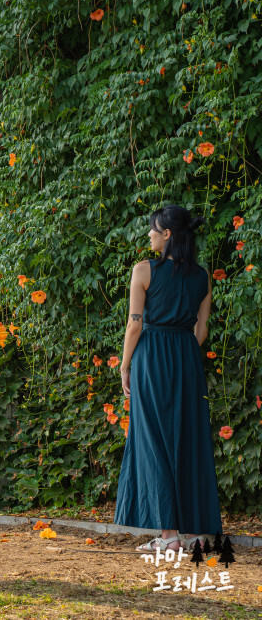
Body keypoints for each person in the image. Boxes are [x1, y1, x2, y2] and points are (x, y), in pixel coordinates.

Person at [114, 205, 222, 552]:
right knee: (187, 440)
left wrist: (125, 365)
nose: (149, 234)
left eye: (153, 229)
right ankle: (192, 534)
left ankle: (168, 537)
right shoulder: (202, 276)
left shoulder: (143, 270)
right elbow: (200, 331)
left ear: (168, 234)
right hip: (187, 357)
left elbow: (134, 325)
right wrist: (183, 352)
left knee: (154, 441)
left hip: (152, 358)